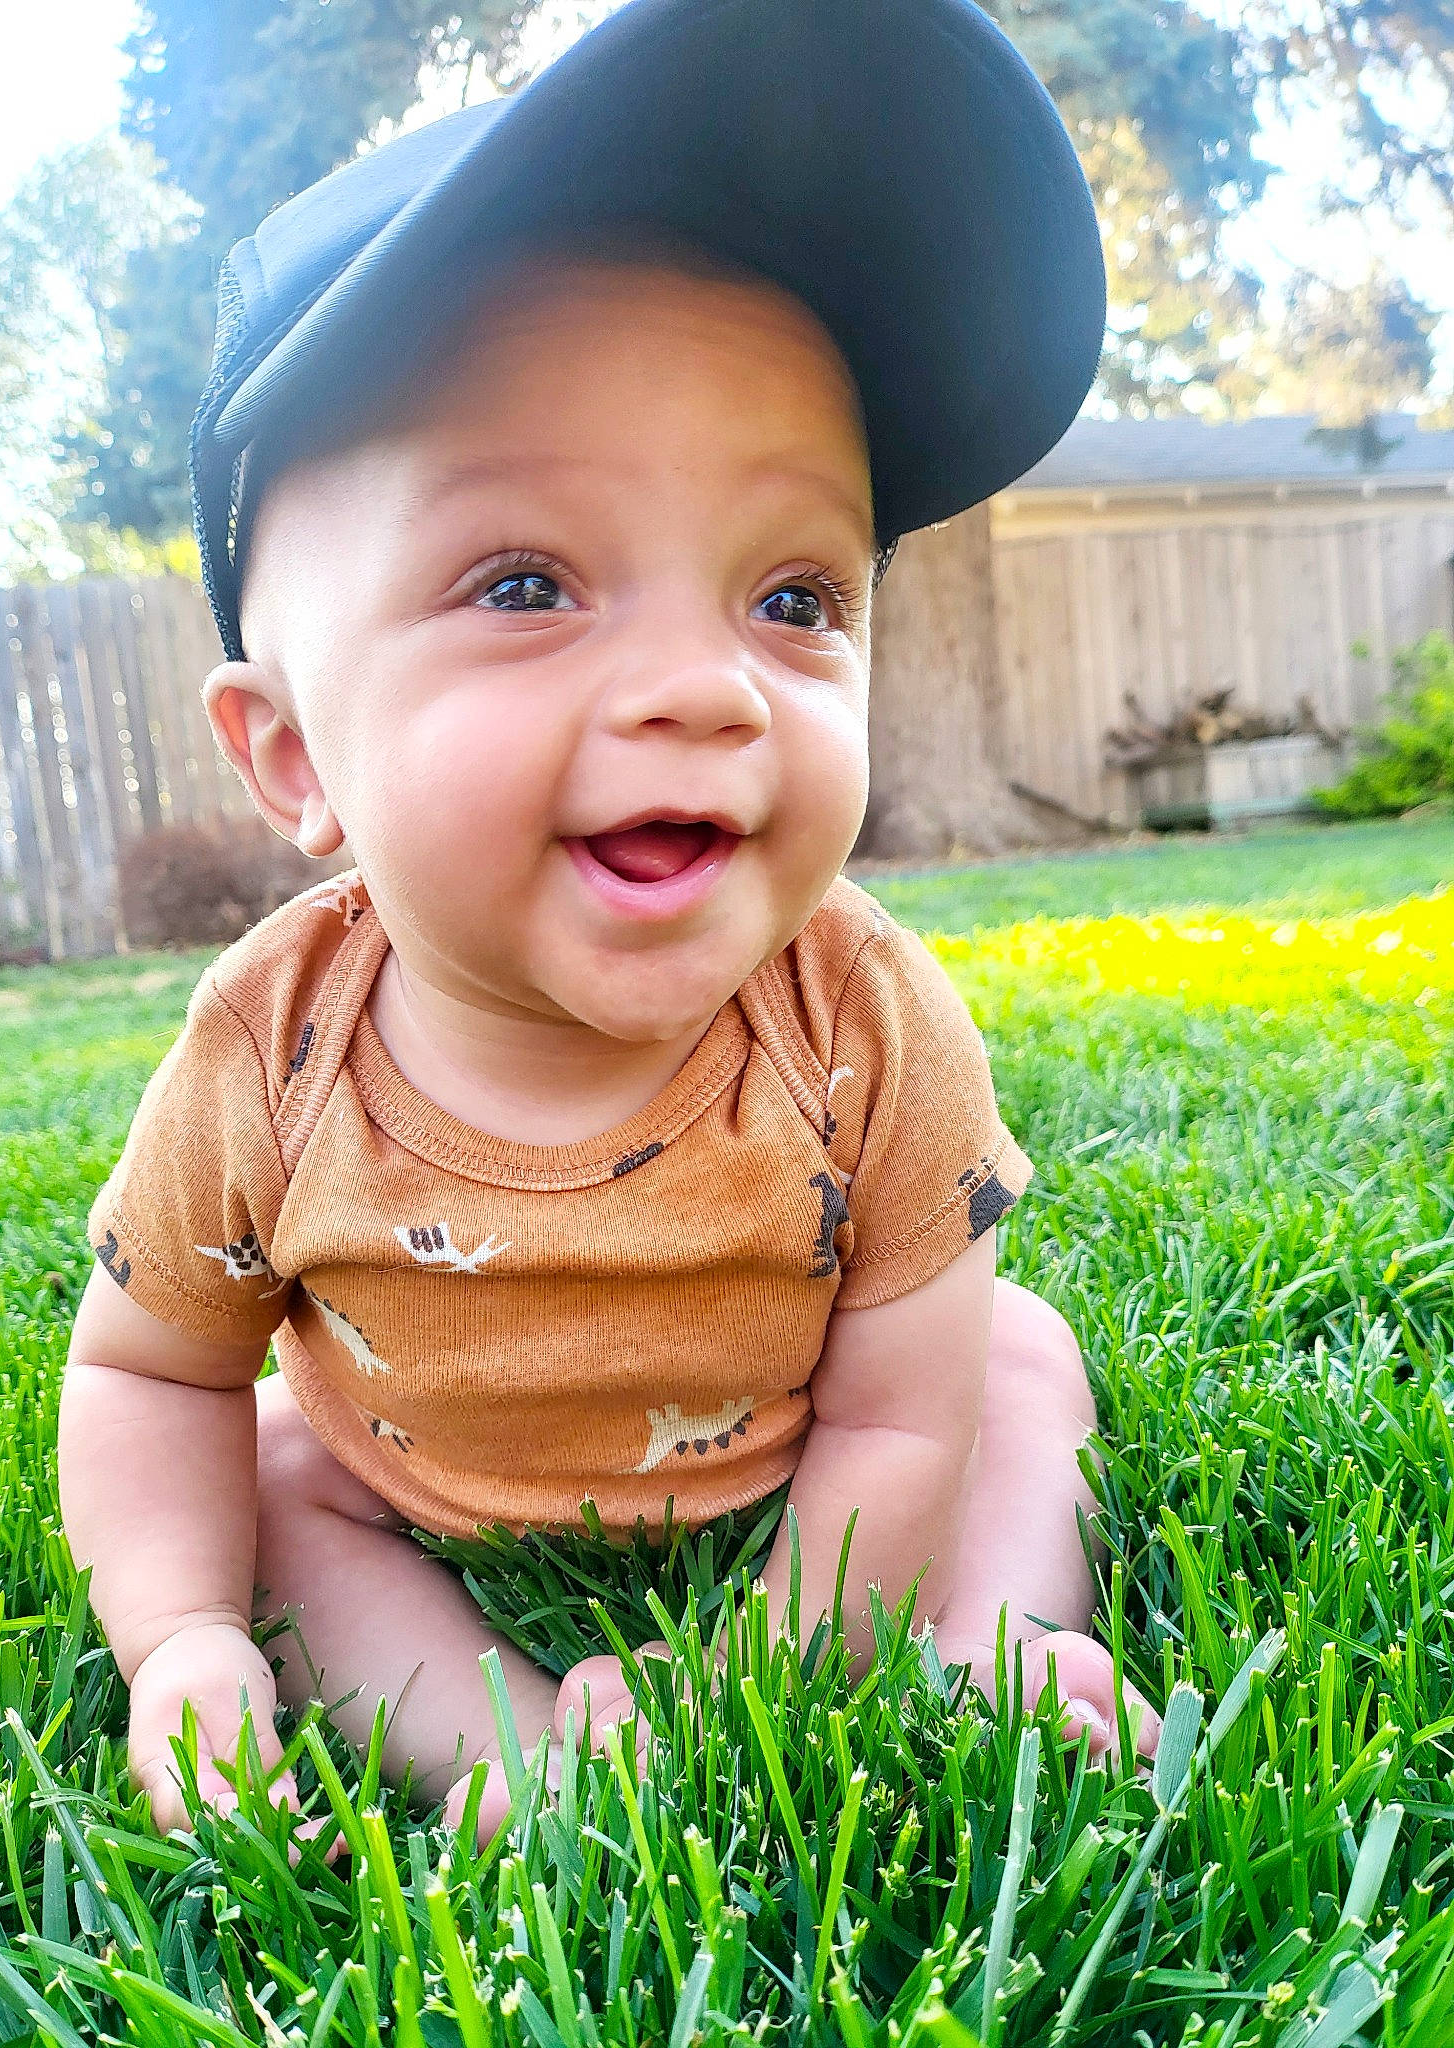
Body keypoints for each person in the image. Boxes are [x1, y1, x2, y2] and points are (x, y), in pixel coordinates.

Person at [59, 0, 1160, 1846]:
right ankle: (504, 1751)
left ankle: (991, 1640)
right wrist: (176, 1634)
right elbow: (146, 1369)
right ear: (294, 755)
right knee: (264, 1478)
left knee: (1017, 1362)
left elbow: (900, 1421)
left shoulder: (862, 1015)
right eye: (524, 583)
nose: (706, 687)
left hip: (808, 1448)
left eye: (794, 596)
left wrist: (757, 1687)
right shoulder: (270, 1050)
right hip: (415, 1483)